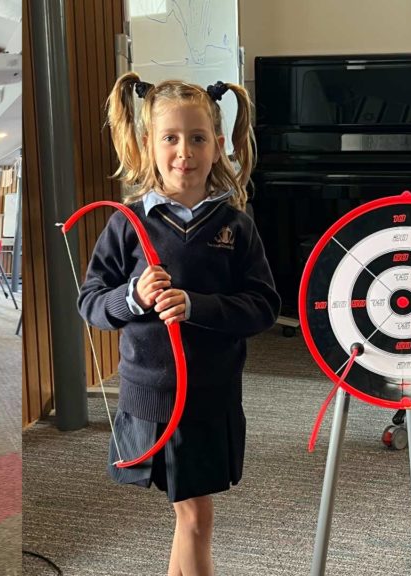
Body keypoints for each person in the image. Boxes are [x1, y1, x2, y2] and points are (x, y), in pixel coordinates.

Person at [77, 74, 280, 575]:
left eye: (197, 138)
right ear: (148, 144)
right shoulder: (127, 222)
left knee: (191, 514)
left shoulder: (236, 224)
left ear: (218, 147)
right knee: (190, 513)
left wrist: (197, 306)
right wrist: (133, 297)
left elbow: (262, 306)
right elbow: (91, 303)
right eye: (169, 138)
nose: (183, 151)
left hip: (209, 393)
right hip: (149, 396)